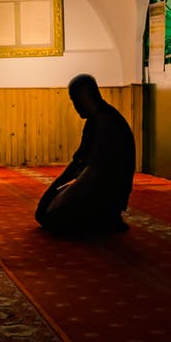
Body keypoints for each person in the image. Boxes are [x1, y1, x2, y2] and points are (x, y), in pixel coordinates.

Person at [35, 73, 135, 234]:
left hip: (106, 193)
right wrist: (53, 190)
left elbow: (92, 173)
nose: (74, 106)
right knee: (46, 211)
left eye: (74, 100)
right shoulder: (97, 119)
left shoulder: (105, 122)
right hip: (99, 188)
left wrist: (62, 195)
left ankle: (105, 220)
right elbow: (78, 161)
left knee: (52, 218)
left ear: (85, 97)